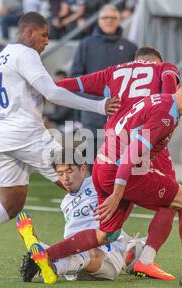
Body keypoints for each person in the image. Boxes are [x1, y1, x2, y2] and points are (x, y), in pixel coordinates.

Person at [0, 12, 120, 274]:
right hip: (27, 135)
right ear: (29, 32)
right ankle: (95, 247)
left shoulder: (5, 53)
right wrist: (98, 105)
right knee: (80, 180)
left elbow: (39, 93)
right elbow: (51, 92)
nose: (46, 42)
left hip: (6, 136)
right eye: (44, 35)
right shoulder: (26, 53)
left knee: (10, 206)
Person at [24, 72, 182, 286]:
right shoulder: (165, 116)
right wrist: (117, 193)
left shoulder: (158, 99)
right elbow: (131, 154)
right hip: (122, 171)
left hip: (103, 163)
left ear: (178, 88)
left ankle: (44, 256)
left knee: (106, 234)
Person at [57, 46, 181, 279]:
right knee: (172, 202)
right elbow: (170, 92)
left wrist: (40, 90)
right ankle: (144, 259)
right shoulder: (162, 68)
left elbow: (73, 84)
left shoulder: (114, 72)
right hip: (147, 144)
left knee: (109, 217)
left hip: (111, 147)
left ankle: (70, 253)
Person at [18, 148, 145, 283]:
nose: (65, 178)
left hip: (101, 252)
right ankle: (45, 260)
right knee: (77, 252)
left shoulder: (98, 181)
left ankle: (46, 260)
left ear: (83, 169)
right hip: (77, 250)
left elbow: (125, 173)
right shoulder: (65, 202)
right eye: (60, 173)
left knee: (85, 253)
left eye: (69, 171)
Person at [71, 4, 137, 171]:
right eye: (105, 18)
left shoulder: (130, 47)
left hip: (122, 116)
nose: (109, 21)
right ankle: (94, 197)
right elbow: (77, 78)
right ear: (98, 21)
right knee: (93, 165)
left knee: (120, 166)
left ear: (119, 20)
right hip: (93, 115)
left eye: (113, 18)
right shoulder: (85, 45)